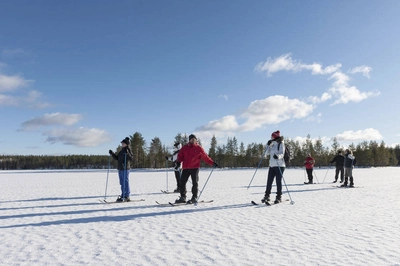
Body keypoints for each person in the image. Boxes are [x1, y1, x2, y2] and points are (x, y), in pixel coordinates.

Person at [174, 134, 217, 204]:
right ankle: (183, 197)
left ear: (196, 140)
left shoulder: (199, 148)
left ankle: (194, 197)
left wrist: (212, 163)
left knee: (195, 183)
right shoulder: (184, 148)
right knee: (182, 182)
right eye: (191, 139)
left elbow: (205, 157)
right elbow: (180, 156)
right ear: (189, 140)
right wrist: (178, 162)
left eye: (194, 139)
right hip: (186, 168)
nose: (193, 140)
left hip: (195, 168)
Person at [262, 130, 286, 204]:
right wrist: (268, 145)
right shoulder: (273, 144)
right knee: (269, 181)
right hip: (272, 165)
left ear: (275, 136)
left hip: (280, 165)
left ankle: (279, 197)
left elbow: (282, 153)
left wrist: (277, 156)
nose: (271, 137)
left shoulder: (281, 144)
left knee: (278, 181)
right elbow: (267, 153)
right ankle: (267, 195)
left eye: (272, 136)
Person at [109, 137, 133, 202]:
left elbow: (131, 158)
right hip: (120, 168)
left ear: (126, 144)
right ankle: (123, 195)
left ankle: (127, 196)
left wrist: (127, 153)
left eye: (123, 143)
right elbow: (117, 158)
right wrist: (112, 154)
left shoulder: (128, 150)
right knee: (122, 182)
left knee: (125, 182)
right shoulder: (121, 151)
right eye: (122, 143)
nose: (122, 144)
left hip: (125, 168)